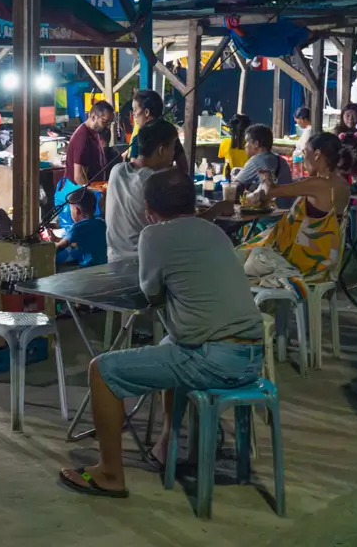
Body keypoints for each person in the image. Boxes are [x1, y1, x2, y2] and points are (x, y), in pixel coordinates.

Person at [58, 170, 263, 498]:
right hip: (252, 356)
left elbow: (151, 292)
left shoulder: (154, 235)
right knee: (171, 342)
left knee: (102, 371)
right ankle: (166, 444)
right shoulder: (214, 232)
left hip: (213, 359)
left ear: (148, 208)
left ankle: (110, 473)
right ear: (192, 202)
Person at [239, 133, 352, 287]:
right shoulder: (342, 184)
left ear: (317, 155)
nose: (304, 159)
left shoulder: (318, 184)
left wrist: (265, 176)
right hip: (324, 258)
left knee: (247, 256)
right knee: (250, 254)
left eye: (305, 153)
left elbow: (271, 191)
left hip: (306, 264)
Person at [104, 118, 179, 262]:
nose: (174, 153)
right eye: (173, 147)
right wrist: (215, 211)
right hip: (142, 265)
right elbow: (179, 227)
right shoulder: (155, 181)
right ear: (161, 150)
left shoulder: (117, 171)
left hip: (113, 260)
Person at [126, 89, 188, 172]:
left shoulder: (138, 138)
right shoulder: (169, 132)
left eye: (135, 110)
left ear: (147, 112)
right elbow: (183, 167)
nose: (133, 114)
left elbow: (133, 172)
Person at [231, 124, 292, 201]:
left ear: (256, 144)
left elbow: (234, 186)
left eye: (247, 142)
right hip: (287, 209)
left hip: (271, 210)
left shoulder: (257, 160)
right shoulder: (281, 160)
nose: (245, 146)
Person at [66, 101, 115, 186]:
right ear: (93, 117)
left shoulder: (94, 134)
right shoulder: (82, 136)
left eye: (110, 123)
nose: (108, 126)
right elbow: (79, 177)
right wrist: (94, 194)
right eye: (104, 122)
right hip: (78, 195)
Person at [55, 188, 107, 267]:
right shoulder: (101, 223)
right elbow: (83, 241)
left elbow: (60, 246)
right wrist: (57, 239)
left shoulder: (77, 228)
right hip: (104, 264)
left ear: (77, 210)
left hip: (89, 269)